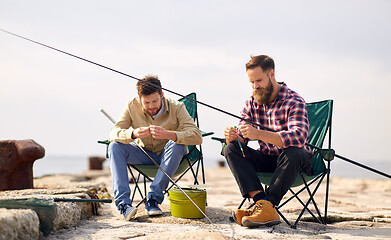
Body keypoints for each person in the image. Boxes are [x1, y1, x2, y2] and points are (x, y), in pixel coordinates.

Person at [223, 55, 313, 228]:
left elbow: (299, 137)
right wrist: (235, 137)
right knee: (232, 148)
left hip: (295, 163)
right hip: (268, 159)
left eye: (259, 80)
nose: (255, 86)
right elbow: (244, 135)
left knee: (293, 151)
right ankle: (261, 203)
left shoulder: (294, 101)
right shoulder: (252, 102)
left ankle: (268, 205)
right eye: (251, 82)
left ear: (271, 74)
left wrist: (259, 134)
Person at [108, 75, 202, 220]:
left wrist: (169, 134)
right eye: (147, 102)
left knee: (177, 144)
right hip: (143, 154)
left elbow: (197, 136)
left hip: (170, 157)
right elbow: (113, 133)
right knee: (115, 146)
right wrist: (132, 133)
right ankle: (124, 205)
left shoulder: (177, 107)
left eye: (155, 101)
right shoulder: (131, 106)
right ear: (140, 99)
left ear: (162, 95)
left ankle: (153, 199)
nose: (151, 106)